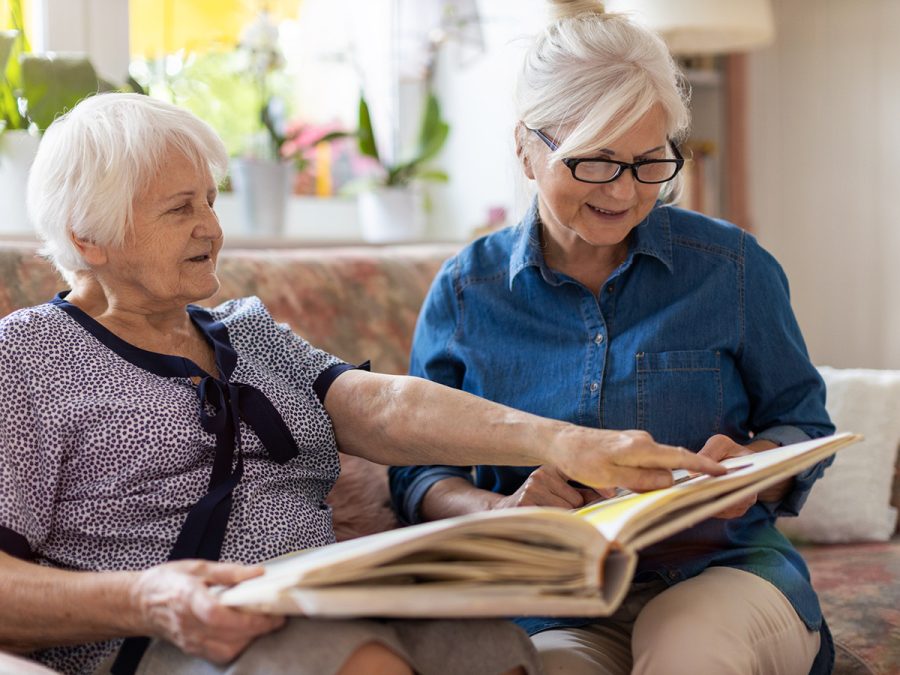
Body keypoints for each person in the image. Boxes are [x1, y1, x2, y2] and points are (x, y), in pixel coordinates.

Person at [0, 92, 724, 675]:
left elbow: (380, 405)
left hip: (321, 604)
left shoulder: (241, 330)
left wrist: (567, 442)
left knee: (483, 647)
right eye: (179, 209)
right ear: (88, 237)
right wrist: (149, 599)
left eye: (211, 201)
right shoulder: (28, 355)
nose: (211, 228)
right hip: (173, 640)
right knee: (355, 661)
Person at [389, 2, 837, 674]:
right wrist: (501, 507)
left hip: (723, 572)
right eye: (595, 161)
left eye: (648, 161)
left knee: (689, 647)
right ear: (525, 148)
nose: (625, 192)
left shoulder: (732, 269)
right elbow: (417, 468)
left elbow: (804, 422)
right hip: (551, 599)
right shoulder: (466, 291)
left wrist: (750, 469)